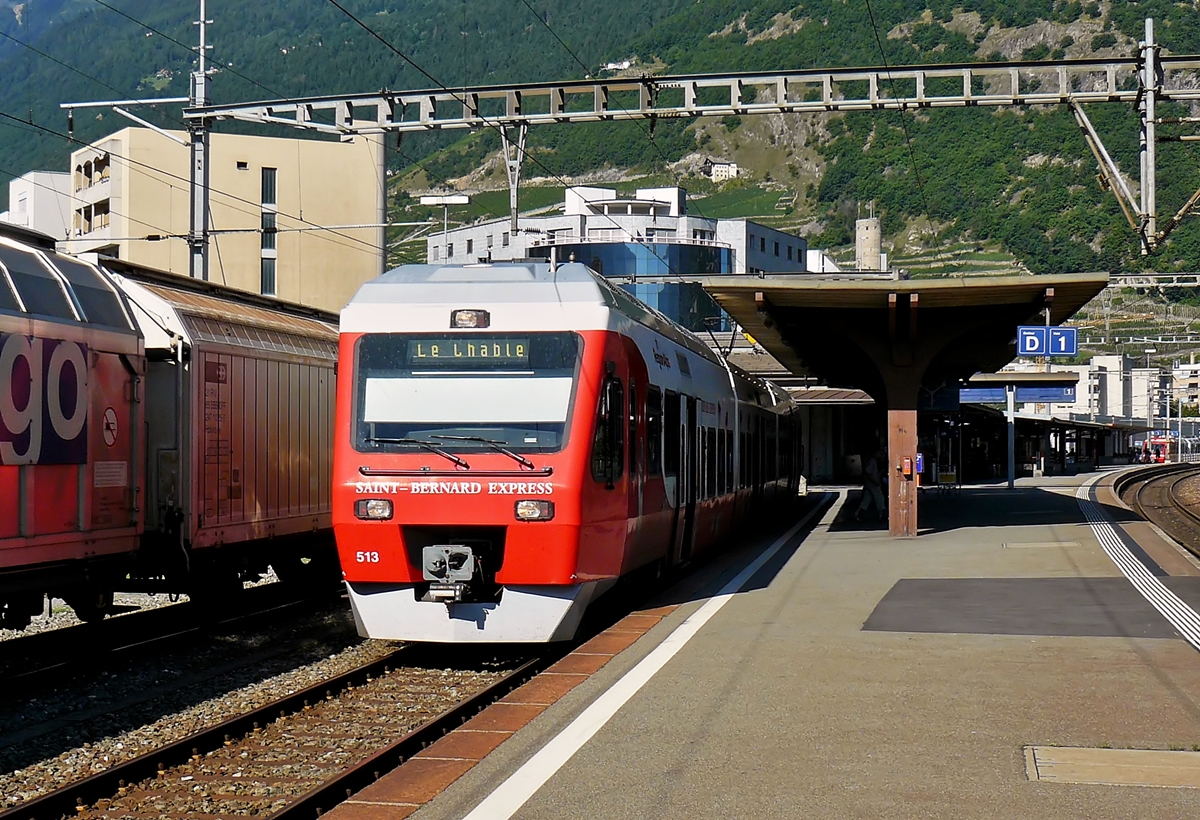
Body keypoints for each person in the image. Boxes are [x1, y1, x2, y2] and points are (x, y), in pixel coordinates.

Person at [855, 449, 886, 521]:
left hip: (870, 484)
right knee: (880, 498)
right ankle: (882, 513)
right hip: (873, 484)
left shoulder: (873, 461)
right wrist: (876, 481)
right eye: (878, 454)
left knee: (866, 499)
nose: (880, 455)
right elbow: (868, 473)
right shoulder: (872, 462)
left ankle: (857, 513)